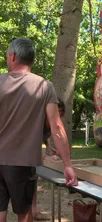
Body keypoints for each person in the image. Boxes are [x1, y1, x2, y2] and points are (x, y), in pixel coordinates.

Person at [0, 37, 78, 222]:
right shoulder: (44, 87)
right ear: (31, 60)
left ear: (12, 56)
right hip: (22, 163)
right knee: (24, 214)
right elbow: (57, 127)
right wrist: (67, 165)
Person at [31, 98, 65, 221]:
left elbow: (44, 136)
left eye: (60, 110)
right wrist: (47, 157)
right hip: (24, 155)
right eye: (57, 109)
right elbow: (32, 144)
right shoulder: (38, 122)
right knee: (26, 183)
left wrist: (48, 146)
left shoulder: (52, 122)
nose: (58, 112)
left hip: (31, 155)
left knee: (33, 181)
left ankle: (33, 211)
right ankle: (31, 212)